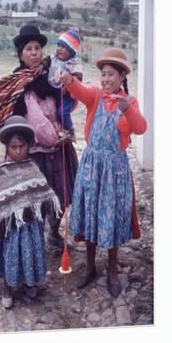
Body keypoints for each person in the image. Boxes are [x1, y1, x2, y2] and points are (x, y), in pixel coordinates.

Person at [59, 47, 147, 298]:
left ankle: (110, 270)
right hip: (92, 166)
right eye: (103, 74)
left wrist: (126, 108)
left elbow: (140, 128)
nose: (106, 79)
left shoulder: (129, 102)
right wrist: (68, 80)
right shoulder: (95, 96)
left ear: (122, 78)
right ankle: (89, 267)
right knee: (90, 216)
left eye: (111, 74)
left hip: (114, 171)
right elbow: (80, 91)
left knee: (112, 219)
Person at [0, 24, 78, 249]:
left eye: (37, 48)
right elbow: (34, 117)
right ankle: (36, 238)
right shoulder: (18, 82)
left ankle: (54, 232)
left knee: (61, 193)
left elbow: (66, 101)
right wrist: (52, 136)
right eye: (28, 49)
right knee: (36, 197)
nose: (34, 53)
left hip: (60, 145)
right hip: (36, 148)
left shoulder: (51, 74)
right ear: (20, 54)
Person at [0, 116, 61, 309]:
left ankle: (28, 281)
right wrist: (0, 220)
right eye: (13, 147)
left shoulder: (33, 168)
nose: (18, 151)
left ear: (28, 146)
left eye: (21, 146)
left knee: (30, 252)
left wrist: (47, 204)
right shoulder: (2, 171)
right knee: (11, 254)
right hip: (10, 230)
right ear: (7, 148)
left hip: (31, 227)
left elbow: (42, 193)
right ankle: (8, 286)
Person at [47, 28, 83, 141]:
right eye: (59, 45)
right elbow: (45, 62)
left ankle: (70, 130)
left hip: (67, 95)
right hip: (54, 92)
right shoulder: (53, 59)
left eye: (64, 47)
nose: (59, 49)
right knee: (51, 112)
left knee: (62, 112)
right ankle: (59, 131)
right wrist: (41, 65)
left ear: (71, 51)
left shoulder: (74, 63)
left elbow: (78, 78)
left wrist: (68, 85)